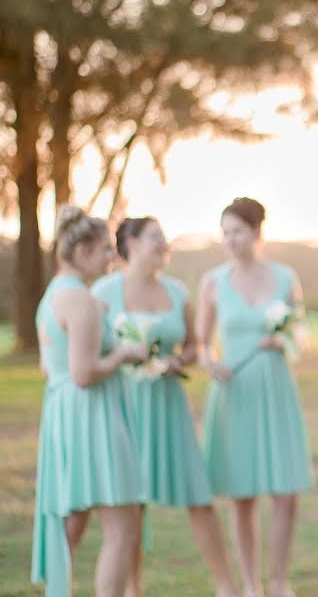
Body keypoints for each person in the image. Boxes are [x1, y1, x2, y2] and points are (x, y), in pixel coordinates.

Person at [92, 217, 239, 597]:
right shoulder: (104, 291)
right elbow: (94, 346)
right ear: (131, 242)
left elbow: (192, 345)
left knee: (198, 496)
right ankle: (132, 590)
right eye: (155, 237)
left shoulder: (176, 291)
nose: (163, 243)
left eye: (164, 238)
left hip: (170, 404)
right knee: (131, 506)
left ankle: (227, 587)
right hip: (125, 405)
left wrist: (179, 360)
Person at [197, 198, 314, 597]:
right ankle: (250, 585)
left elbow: (300, 334)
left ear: (257, 232)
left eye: (238, 232)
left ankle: (279, 580)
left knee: (285, 491)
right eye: (225, 233)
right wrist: (210, 362)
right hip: (234, 392)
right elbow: (200, 344)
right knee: (242, 494)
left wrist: (281, 338)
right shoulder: (211, 282)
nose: (230, 240)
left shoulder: (285, 277)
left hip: (274, 388)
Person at [31, 205, 147, 596]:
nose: (110, 258)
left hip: (64, 415)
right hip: (91, 415)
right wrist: (124, 354)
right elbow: (84, 374)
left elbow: (54, 370)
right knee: (123, 527)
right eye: (103, 250)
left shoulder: (52, 297)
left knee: (74, 520)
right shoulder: (79, 299)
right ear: (81, 252)